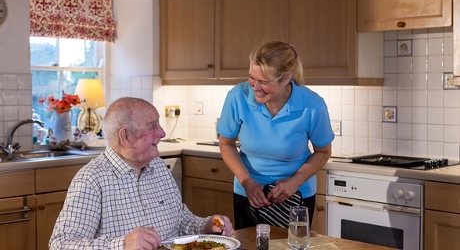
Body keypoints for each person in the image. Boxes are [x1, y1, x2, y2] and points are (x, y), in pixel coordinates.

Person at [49, 97, 234, 249]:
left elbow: (180, 220)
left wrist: (206, 225)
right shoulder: (91, 180)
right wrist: (122, 244)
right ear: (126, 137)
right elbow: (60, 244)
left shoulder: (158, 167)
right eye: (153, 126)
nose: (162, 133)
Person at [217, 40, 335, 229]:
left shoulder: (312, 105)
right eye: (251, 78)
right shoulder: (237, 96)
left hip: (296, 196)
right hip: (248, 194)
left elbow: (323, 152)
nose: (255, 87)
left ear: (286, 78)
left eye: (264, 82)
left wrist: (294, 182)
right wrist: (246, 181)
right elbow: (226, 144)